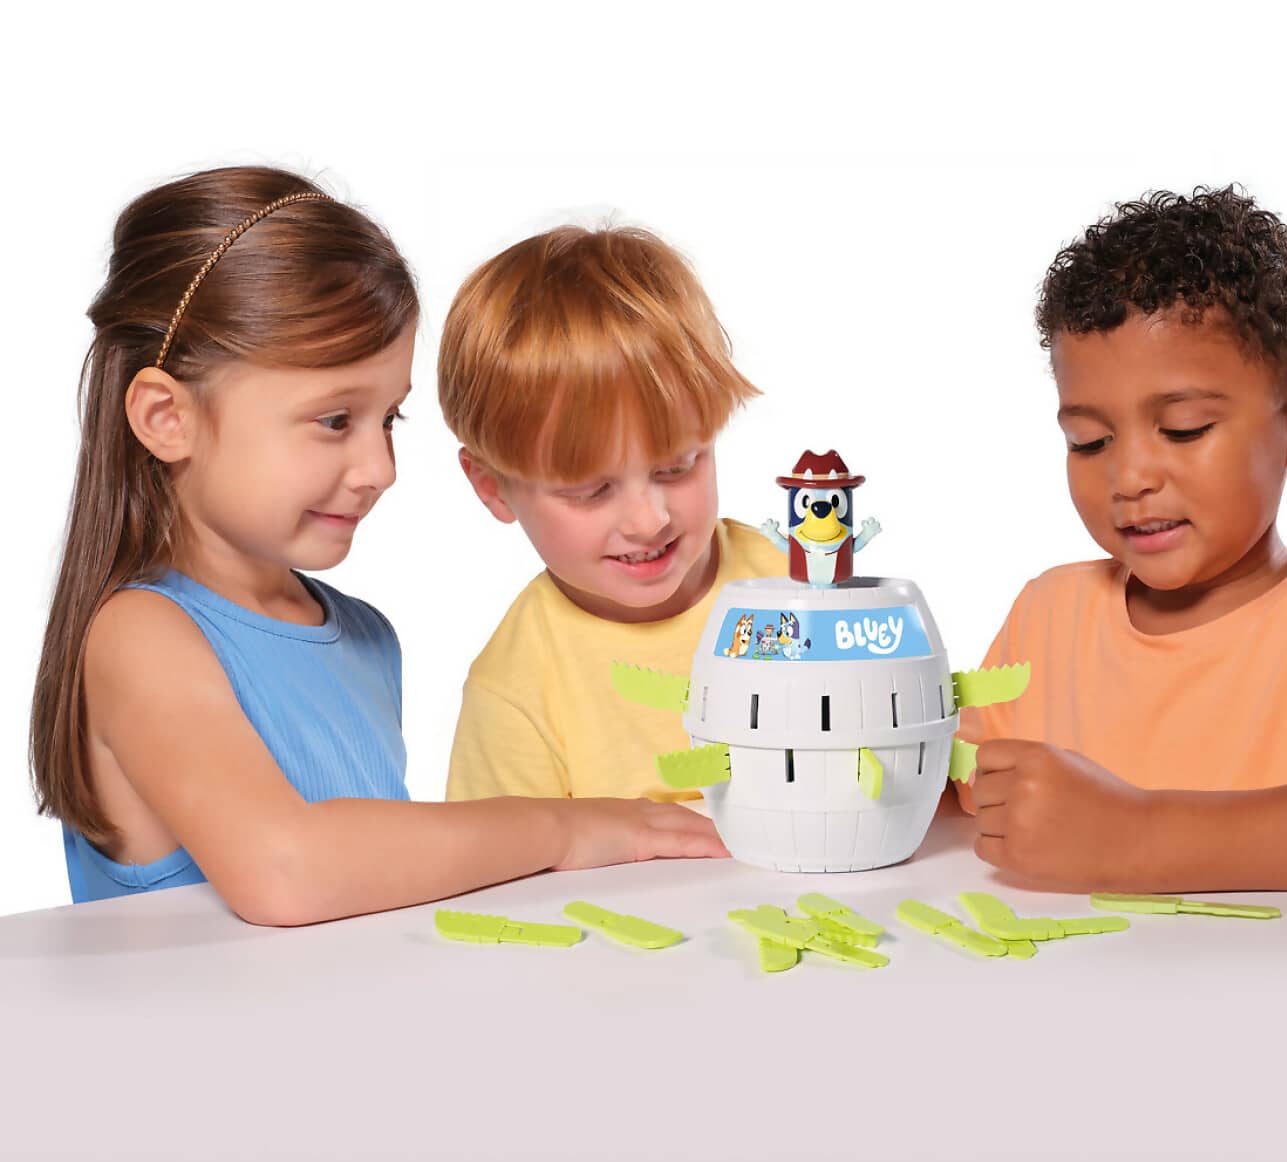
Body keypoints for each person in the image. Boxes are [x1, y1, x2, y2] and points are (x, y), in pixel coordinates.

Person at [29, 168, 724, 924]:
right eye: (336, 420)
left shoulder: (364, 638)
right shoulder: (141, 636)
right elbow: (285, 872)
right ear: (168, 418)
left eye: (389, 418)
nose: (380, 469)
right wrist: (568, 827)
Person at [958, 186, 1287, 891]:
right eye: (1090, 440)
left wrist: (1135, 835)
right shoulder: (1048, 616)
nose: (1129, 477)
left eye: (1184, 430)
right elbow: (945, 789)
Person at [437, 225, 784, 803]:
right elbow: (499, 860)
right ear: (492, 488)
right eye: (590, 491)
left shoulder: (798, 584)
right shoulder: (517, 692)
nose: (649, 521)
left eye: (677, 467)